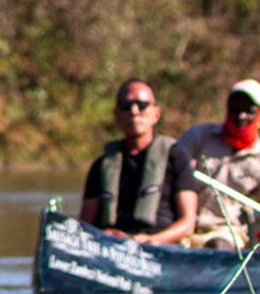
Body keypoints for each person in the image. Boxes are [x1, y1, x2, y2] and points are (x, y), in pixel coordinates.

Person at [80, 79, 199, 244]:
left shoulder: (177, 157)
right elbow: (84, 227)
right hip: (110, 248)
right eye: (126, 106)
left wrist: (153, 239)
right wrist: (101, 235)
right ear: (117, 115)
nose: (134, 112)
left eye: (142, 105)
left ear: (156, 114)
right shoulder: (101, 165)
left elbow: (188, 223)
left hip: (160, 249)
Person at [179, 79, 260, 249]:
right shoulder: (199, 136)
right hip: (183, 226)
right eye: (235, 108)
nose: (241, 116)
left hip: (226, 233)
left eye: (248, 110)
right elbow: (173, 167)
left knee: (218, 245)